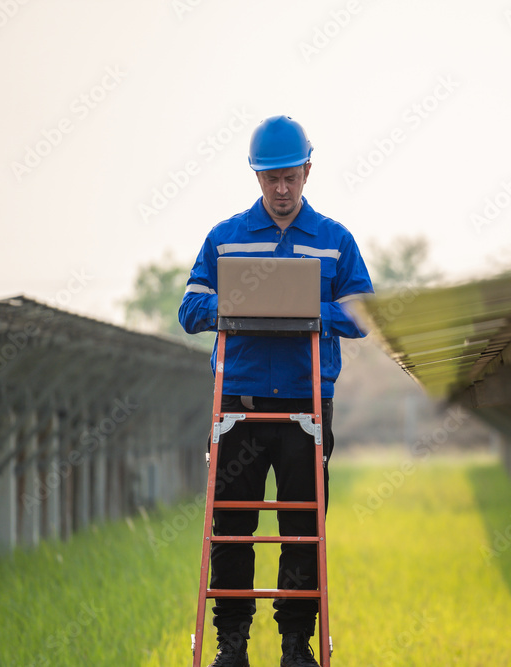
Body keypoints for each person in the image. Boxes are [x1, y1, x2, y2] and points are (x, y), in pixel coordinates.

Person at [179, 115, 373, 667]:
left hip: (306, 404)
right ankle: (231, 646)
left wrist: (308, 309)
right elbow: (190, 309)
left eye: (290, 177)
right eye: (271, 180)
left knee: (302, 526)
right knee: (233, 527)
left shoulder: (335, 241)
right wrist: (240, 306)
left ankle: (295, 645)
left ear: (308, 171)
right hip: (237, 406)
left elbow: (363, 312)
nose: (282, 190)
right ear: (255, 177)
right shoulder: (225, 238)